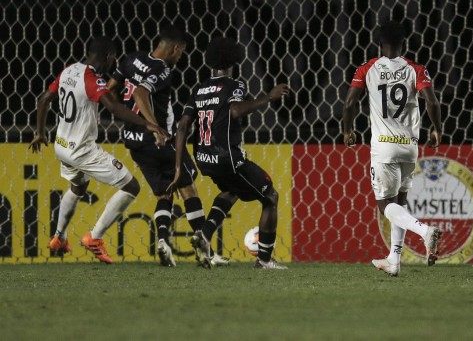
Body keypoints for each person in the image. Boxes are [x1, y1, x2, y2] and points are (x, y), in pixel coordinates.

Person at [30, 36, 169, 264]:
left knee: (78, 186)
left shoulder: (69, 71)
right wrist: (147, 123)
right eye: (113, 58)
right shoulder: (91, 78)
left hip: (61, 145)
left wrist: (40, 132)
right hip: (82, 150)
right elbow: (113, 107)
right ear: (109, 56)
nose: (114, 62)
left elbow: (44, 99)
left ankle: (59, 236)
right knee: (131, 186)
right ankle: (95, 237)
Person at [107, 27, 223, 267]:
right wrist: (153, 127)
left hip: (133, 140)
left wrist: (127, 117)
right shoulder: (162, 70)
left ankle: (162, 242)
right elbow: (140, 92)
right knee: (188, 187)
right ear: (176, 48)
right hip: (159, 140)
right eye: (181, 53)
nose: (180, 58)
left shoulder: (132, 59)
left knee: (164, 192)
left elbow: (109, 90)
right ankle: (205, 251)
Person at [171, 37, 290, 269]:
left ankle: (203, 235)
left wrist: (178, 167)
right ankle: (264, 260)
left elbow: (183, 126)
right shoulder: (234, 86)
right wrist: (268, 97)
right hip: (228, 157)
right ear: (233, 60)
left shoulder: (199, 89)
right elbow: (235, 110)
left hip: (205, 158)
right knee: (270, 196)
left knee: (232, 190)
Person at [342, 20, 443, 277]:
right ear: (403, 43)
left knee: (384, 204)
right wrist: (436, 129)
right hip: (409, 146)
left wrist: (347, 128)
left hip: (384, 147)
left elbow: (350, 103)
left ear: (378, 43)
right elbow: (431, 101)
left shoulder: (367, 69)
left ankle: (425, 231)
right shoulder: (416, 69)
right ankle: (394, 260)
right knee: (400, 201)